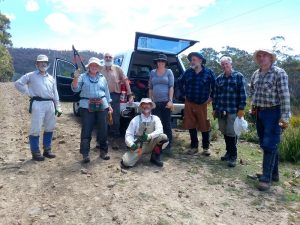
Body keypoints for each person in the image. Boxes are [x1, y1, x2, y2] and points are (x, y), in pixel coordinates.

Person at [249, 49, 290, 191]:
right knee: (266, 142)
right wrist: (252, 108)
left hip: (274, 112)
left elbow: (285, 96)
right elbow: (252, 91)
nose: (261, 58)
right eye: (259, 56)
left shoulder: (279, 73)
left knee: (269, 143)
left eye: (264, 55)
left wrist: (285, 117)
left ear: (271, 58)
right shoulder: (256, 73)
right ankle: (274, 174)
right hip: (259, 112)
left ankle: (266, 178)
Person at [15, 54, 62, 161]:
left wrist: (58, 106)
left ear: (47, 64)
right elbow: (18, 84)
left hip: (50, 104)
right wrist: (28, 92)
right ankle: (35, 152)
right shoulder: (30, 75)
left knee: (50, 127)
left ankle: (47, 150)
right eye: (40, 62)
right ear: (37, 64)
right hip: (38, 103)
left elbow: (55, 93)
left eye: (45, 62)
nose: (43, 64)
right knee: (36, 128)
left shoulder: (51, 78)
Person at [71, 57, 113, 163]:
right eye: (92, 65)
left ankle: (103, 151)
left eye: (96, 65)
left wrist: (109, 105)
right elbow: (75, 89)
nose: (94, 67)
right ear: (89, 67)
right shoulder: (82, 77)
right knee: (87, 129)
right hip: (86, 106)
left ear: (99, 67)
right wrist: (75, 78)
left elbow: (106, 92)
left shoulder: (102, 78)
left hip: (102, 105)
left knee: (103, 129)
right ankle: (85, 154)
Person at [179, 52, 215, 156]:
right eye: (191, 60)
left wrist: (211, 97)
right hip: (189, 102)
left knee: (204, 125)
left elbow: (215, 86)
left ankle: (206, 148)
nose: (192, 62)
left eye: (194, 59)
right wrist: (183, 95)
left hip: (202, 103)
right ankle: (194, 147)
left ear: (200, 60)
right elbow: (179, 82)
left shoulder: (208, 72)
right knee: (191, 125)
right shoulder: (188, 72)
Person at [213, 56, 247, 167]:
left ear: (230, 64)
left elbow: (242, 93)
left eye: (226, 63)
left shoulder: (238, 76)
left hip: (233, 110)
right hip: (221, 110)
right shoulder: (219, 78)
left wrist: (241, 109)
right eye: (222, 64)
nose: (224, 66)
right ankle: (228, 152)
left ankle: (233, 156)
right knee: (224, 130)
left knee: (231, 132)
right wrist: (214, 108)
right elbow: (215, 95)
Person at [121, 98, 169, 168]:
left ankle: (155, 157)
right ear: (141, 107)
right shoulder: (135, 119)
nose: (146, 106)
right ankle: (135, 155)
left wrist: (149, 136)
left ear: (151, 107)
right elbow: (129, 134)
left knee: (163, 137)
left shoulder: (156, 118)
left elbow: (160, 130)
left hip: (151, 143)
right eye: (144, 104)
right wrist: (131, 144)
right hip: (139, 146)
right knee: (126, 163)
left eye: (148, 104)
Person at [100, 53, 134, 149]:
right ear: (104, 59)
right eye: (106, 57)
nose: (108, 58)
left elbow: (126, 81)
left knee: (115, 119)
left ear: (113, 59)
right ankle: (102, 141)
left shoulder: (117, 69)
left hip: (115, 96)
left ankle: (114, 141)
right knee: (102, 119)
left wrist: (130, 95)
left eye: (110, 57)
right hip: (102, 97)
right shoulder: (100, 69)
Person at [149, 53, 174, 154]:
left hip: (166, 102)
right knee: (156, 125)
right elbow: (150, 87)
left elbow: (171, 87)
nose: (161, 63)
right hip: (155, 103)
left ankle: (168, 145)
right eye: (159, 61)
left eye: (163, 61)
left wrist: (170, 100)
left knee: (167, 124)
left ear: (165, 63)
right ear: (157, 62)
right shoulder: (152, 72)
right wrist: (151, 101)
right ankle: (157, 146)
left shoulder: (169, 72)